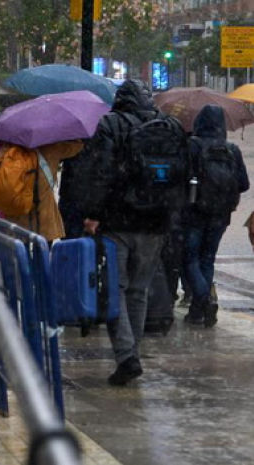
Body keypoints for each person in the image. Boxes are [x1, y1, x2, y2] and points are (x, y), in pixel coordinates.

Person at [72, 79, 187, 386]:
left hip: (118, 221)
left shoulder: (111, 124)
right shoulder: (169, 126)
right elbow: (183, 175)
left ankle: (126, 355)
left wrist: (93, 214)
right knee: (138, 290)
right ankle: (132, 352)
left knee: (115, 289)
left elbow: (100, 173)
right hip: (156, 221)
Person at [181, 104, 249, 327]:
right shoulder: (232, 150)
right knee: (207, 259)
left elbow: (182, 177)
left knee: (189, 258)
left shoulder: (193, 146)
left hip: (194, 212)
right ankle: (198, 311)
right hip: (221, 215)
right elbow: (244, 184)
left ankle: (204, 298)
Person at [0, 141, 83, 241]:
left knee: (19, 249)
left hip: (16, 221)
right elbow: (76, 147)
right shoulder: (52, 148)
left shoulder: (8, 149)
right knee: (41, 249)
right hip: (44, 222)